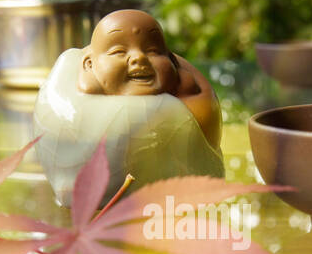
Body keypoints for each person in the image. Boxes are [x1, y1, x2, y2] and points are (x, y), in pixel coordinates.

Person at [77, 9, 221, 149]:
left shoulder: (192, 103)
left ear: (173, 61)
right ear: (89, 64)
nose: (139, 57)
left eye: (152, 51)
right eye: (118, 51)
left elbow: (208, 141)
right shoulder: (72, 99)